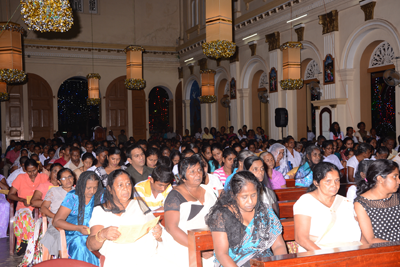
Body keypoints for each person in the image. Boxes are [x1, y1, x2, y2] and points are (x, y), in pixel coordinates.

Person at [86, 169, 171, 267]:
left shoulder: (138, 205)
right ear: (110, 189)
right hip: (118, 260)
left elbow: (157, 229)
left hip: (146, 256)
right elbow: (90, 245)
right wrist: (102, 234)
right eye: (120, 185)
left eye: (128, 184)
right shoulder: (100, 211)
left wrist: (159, 234)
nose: (126, 189)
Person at [206, 171, 287, 267]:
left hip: (265, 263)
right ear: (233, 195)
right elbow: (222, 254)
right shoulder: (222, 215)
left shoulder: (265, 211)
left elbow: (279, 245)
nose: (250, 201)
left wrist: (279, 265)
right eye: (244, 197)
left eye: (253, 195)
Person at [294, 162, 366, 252]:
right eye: (328, 181)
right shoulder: (306, 202)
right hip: (320, 254)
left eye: (337, 180)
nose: (334, 185)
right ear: (316, 182)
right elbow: (301, 238)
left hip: (351, 252)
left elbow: (360, 236)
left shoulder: (346, 203)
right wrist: (327, 258)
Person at [164, 156, 218, 267]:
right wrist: (198, 247)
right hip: (182, 243)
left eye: (199, 170)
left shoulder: (208, 190)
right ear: (183, 177)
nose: (198, 174)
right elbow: (171, 228)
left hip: (207, 240)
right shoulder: (174, 196)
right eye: (192, 172)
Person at [52, 171, 103, 265]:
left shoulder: (100, 196)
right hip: (73, 235)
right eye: (88, 188)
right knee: (81, 245)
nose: (92, 191)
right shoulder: (73, 196)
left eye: (95, 187)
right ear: (81, 185)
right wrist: (78, 228)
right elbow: (56, 221)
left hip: (95, 234)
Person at [8, 159, 49, 255]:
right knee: (25, 217)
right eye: (29, 171)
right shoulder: (21, 177)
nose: (32, 174)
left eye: (34, 170)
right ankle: (27, 242)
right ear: (25, 170)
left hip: (40, 207)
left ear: (38, 168)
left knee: (41, 220)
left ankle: (30, 244)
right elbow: (10, 194)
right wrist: (22, 200)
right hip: (24, 207)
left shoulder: (44, 177)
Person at [354, 160, 400, 243]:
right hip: (383, 250)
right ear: (380, 179)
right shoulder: (362, 204)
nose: (399, 181)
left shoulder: (398, 197)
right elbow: (371, 239)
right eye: (394, 177)